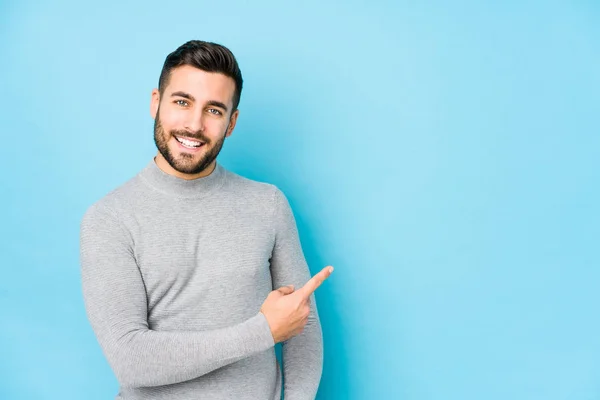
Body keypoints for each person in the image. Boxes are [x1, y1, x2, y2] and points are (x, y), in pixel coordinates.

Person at [79, 40, 333, 400]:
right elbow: (131, 359)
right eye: (182, 102)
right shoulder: (108, 219)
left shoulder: (268, 204)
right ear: (156, 102)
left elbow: (302, 327)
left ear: (231, 122)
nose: (194, 124)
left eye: (214, 110)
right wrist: (263, 331)